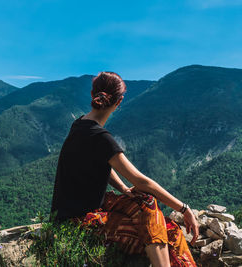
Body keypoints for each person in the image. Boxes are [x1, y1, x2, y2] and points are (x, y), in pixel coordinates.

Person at [50, 71, 199, 267]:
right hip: (77, 222)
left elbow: (101, 162)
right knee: (168, 232)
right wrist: (184, 209)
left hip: (76, 211)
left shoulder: (79, 125)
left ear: (93, 94)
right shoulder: (101, 138)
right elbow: (141, 181)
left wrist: (123, 189)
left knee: (148, 205)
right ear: (119, 102)